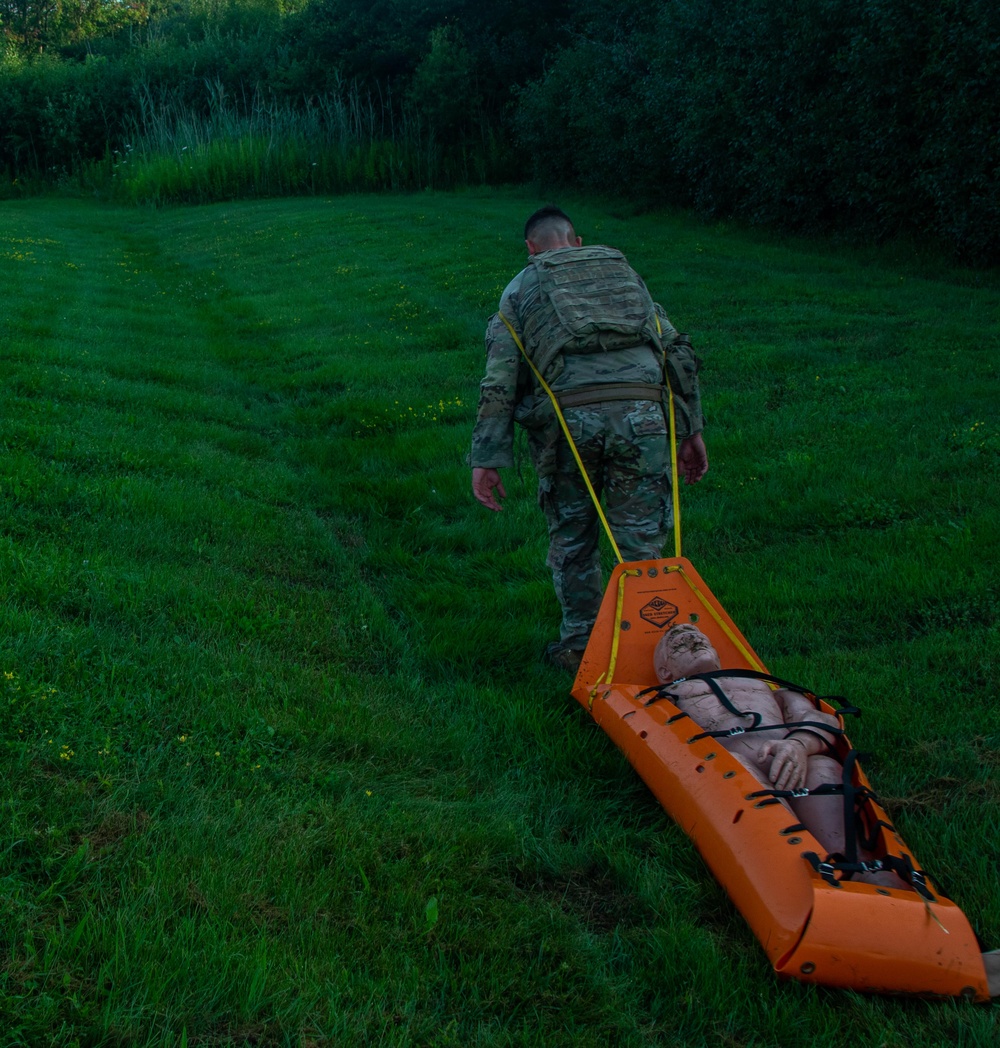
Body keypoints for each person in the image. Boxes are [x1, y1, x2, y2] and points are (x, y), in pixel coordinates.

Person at [652, 622, 1000, 994]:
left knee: (824, 768)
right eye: (675, 641)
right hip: (735, 767)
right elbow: (672, 740)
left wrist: (799, 745)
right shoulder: (667, 696)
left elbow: (821, 720)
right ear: (665, 672)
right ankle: (814, 883)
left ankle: (883, 887)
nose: (687, 633)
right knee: (739, 768)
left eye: (695, 633)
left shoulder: (766, 685)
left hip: (793, 756)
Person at [470, 206, 708, 673]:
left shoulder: (519, 290)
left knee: (574, 536)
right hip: (644, 420)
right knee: (640, 539)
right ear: (577, 241)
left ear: (531, 248)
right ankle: (659, 644)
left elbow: (499, 379)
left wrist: (487, 457)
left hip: (568, 426)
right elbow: (677, 354)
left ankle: (580, 645)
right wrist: (690, 430)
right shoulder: (625, 276)